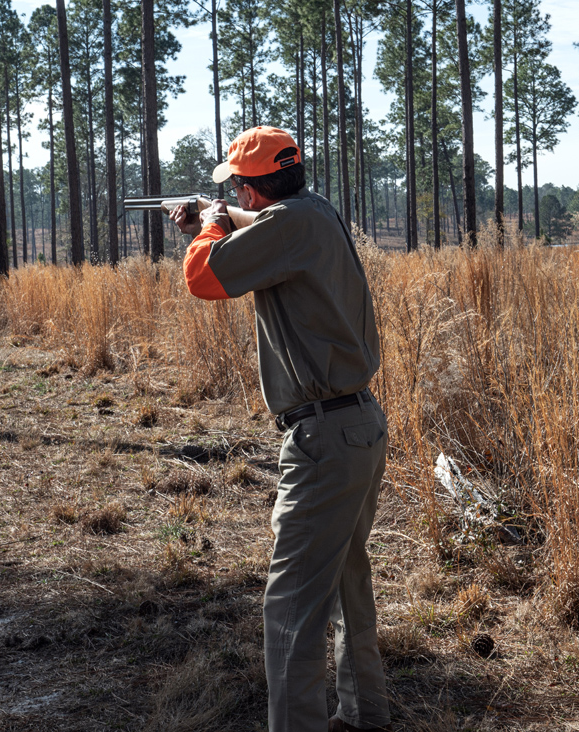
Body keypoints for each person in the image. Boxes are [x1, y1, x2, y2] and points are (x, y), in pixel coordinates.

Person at [172, 126, 392, 732]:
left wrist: (209, 227)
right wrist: (220, 220)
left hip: (325, 439)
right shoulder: (312, 212)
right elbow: (262, 229)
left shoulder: (286, 225)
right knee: (348, 579)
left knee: (291, 604)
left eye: (238, 185)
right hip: (358, 426)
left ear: (252, 185)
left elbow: (203, 279)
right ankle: (364, 713)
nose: (236, 194)